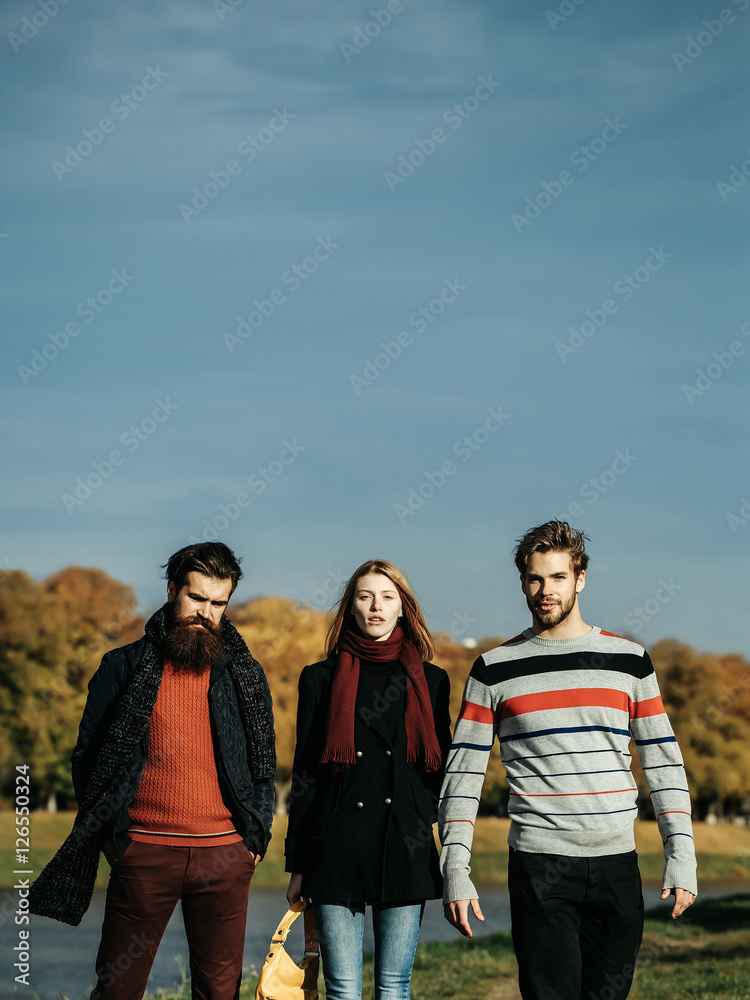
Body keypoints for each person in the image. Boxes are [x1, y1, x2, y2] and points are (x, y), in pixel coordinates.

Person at [439, 520, 697, 1000]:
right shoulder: (493, 670)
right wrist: (456, 869)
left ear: (580, 579)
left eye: (557, 577)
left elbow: (662, 762)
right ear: (522, 582)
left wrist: (681, 855)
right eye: (535, 579)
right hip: (539, 867)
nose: (545, 590)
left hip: (617, 863)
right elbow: (463, 776)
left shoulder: (630, 661)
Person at [29, 542, 276, 1000]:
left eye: (217, 603)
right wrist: (114, 840)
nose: (206, 612)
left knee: (220, 993)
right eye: (197, 598)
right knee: (118, 988)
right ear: (171, 590)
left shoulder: (244, 673)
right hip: (143, 853)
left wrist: (253, 841)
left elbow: (263, 764)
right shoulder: (121, 667)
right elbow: (87, 759)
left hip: (225, 857)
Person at [285, 559, 452, 1000]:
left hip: (403, 845)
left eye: (387, 597)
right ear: (351, 607)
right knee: (341, 989)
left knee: (394, 987)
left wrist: (419, 813)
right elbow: (305, 775)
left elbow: (442, 769)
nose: (375, 606)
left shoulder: (432, 682)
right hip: (334, 848)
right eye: (365, 597)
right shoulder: (318, 679)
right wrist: (298, 863)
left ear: (403, 608)